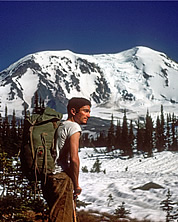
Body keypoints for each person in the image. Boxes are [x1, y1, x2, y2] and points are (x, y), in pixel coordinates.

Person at [42, 97, 91, 222]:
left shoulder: (61, 125)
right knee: (62, 218)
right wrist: (76, 184)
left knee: (55, 215)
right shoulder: (74, 127)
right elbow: (74, 158)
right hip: (61, 178)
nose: (88, 115)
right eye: (85, 111)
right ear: (73, 111)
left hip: (49, 177)